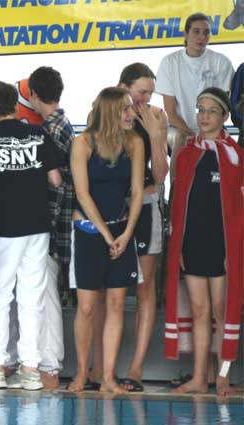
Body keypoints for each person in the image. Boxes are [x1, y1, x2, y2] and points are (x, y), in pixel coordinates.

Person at [0, 81, 62, 391]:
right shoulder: (38, 134)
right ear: (16, 105)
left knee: (0, 296)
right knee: (32, 296)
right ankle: (30, 369)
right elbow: (55, 179)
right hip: (37, 225)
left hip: (3, 226)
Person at [165, 88, 243, 397]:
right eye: (200, 110)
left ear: (224, 117)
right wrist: (179, 246)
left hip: (223, 246)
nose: (204, 116)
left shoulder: (235, 156)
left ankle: (222, 377)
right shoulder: (187, 154)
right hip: (193, 243)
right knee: (199, 310)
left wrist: (233, 251)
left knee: (221, 311)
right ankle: (199, 377)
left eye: (211, 111)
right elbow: (178, 204)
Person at [68, 87, 144, 394]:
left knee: (116, 303)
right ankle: (81, 372)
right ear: (111, 112)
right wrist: (107, 234)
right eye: (125, 109)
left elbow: (137, 192)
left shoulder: (134, 142)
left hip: (121, 231)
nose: (131, 114)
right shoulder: (83, 143)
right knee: (87, 307)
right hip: (89, 231)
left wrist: (126, 233)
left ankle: (109, 377)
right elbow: (82, 194)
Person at [114, 63, 169, 392]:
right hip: (114, 208)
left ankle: (135, 369)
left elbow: (160, 174)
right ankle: (101, 366)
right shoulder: (106, 114)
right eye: (142, 92)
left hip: (146, 204)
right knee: (112, 289)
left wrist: (156, 135)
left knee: (145, 288)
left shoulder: (156, 117)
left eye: (150, 92)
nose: (147, 98)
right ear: (123, 87)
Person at [28, 66, 75, 389]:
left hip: (53, 224)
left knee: (46, 295)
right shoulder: (63, 125)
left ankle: (50, 365)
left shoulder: (50, 132)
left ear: (33, 95)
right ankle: (48, 363)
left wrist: (47, 227)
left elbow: (55, 187)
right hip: (59, 222)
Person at [155, 12, 234, 164]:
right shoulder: (169, 63)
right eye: (196, 31)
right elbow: (170, 113)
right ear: (185, 34)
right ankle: (176, 180)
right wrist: (192, 134)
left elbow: (222, 108)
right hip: (179, 128)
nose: (202, 37)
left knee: (228, 152)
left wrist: (206, 133)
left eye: (206, 32)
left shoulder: (221, 62)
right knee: (181, 139)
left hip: (213, 126)